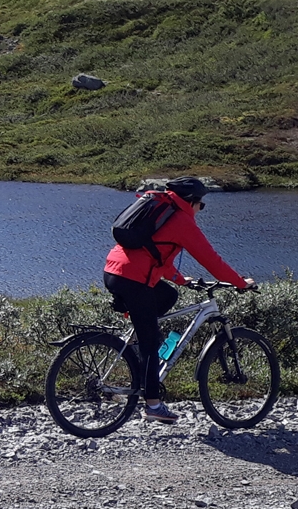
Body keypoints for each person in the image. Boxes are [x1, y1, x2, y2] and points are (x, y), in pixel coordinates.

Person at [102, 176, 254, 424]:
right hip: (133, 279)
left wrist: (181, 280)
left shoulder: (160, 208)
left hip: (115, 271)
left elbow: (154, 252)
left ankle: (137, 342)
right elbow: (211, 260)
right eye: (201, 205)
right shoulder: (181, 220)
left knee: (168, 294)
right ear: (192, 201)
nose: (201, 210)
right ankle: (153, 404)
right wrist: (239, 282)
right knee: (152, 344)